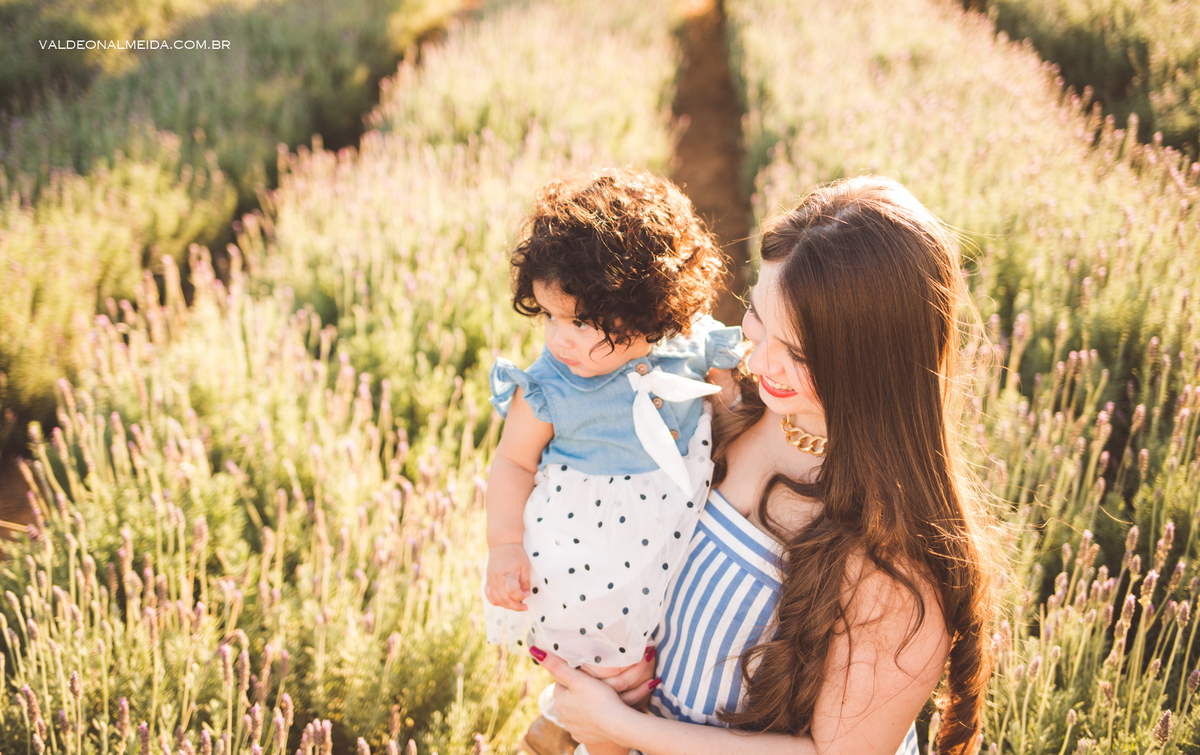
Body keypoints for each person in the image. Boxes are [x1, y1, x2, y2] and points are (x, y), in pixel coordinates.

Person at [530, 176, 998, 755]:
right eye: (756, 316)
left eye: (798, 353)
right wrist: (625, 676)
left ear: (876, 364)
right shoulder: (728, 403)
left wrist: (623, 730)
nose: (761, 359)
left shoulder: (895, 558)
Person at [483, 168, 744, 753]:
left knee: (656, 665)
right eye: (549, 316)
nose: (559, 339)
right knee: (607, 671)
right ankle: (593, 736)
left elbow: (732, 413)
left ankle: (561, 725)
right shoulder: (550, 385)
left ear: (651, 311)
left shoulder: (691, 349)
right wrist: (504, 544)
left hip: (671, 544)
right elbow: (513, 464)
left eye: (580, 322)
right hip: (589, 568)